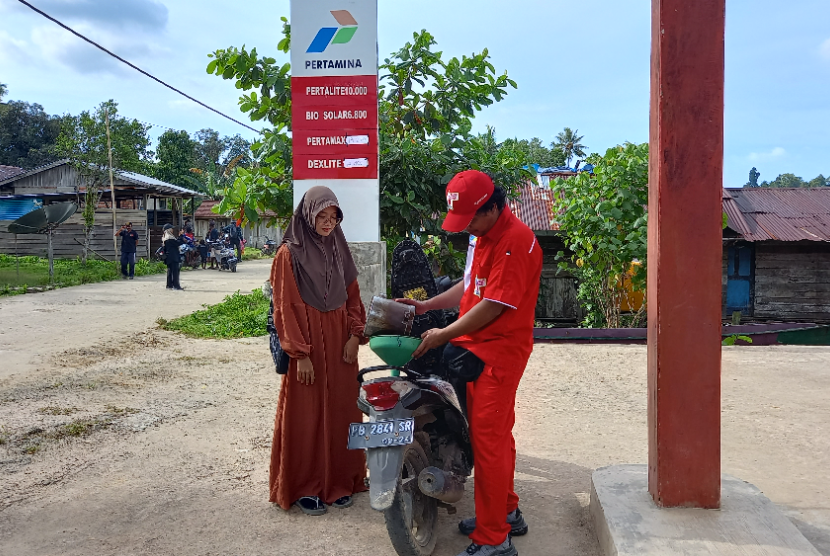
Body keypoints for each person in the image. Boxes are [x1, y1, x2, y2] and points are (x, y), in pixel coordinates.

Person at [398, 170, 542, 556]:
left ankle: (494, 539)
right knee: (494, 437)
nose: (466, 230)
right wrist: (428, 305)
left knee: (489, 443)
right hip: (474, 350)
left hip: (498, 353)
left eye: (471, 219)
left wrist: (442, 335)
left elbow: (494, 305)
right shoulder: (483, 235)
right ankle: (506, 512)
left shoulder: (515, 242)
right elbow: (470, 284)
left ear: (494, 207)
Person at [268, 186, 367, 516]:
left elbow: (353, 295)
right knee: (306, 416)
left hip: (340, 343)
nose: (328, 223)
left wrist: (355, 336)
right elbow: (284, 306)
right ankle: (304, 486)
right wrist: (301, 354)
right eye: (321, 216)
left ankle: (340, 480)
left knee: (342, 412)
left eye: (333, 217)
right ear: (307, 216)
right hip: (307, 342)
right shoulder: (288, 253)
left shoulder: (339, 249)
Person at [162, 224, 184, 290]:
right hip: (173, 256)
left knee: (170, 271)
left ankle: (169, 285)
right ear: (168, 230)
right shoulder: (170, 238)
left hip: (169, 257)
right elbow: (178, 243)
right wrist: (181, 235)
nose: (172, 230)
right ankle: (176, 286)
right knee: (175, 271)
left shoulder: (165, 237)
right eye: (171, 228)